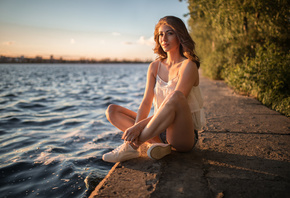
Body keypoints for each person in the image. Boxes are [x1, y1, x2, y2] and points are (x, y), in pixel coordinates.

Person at [102, 16, 205, 163]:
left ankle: (132, 146)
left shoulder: (188, 65)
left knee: (176, 96)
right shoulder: (154, 66)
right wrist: (137, 125)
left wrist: (138, 130)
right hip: (157, 130)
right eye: (161, 34)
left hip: (182, 134)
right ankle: (159, 145)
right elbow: (146, 103)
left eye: (170, 33)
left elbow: (174, 104)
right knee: (112, 110)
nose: (164, 38)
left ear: (180, 35)